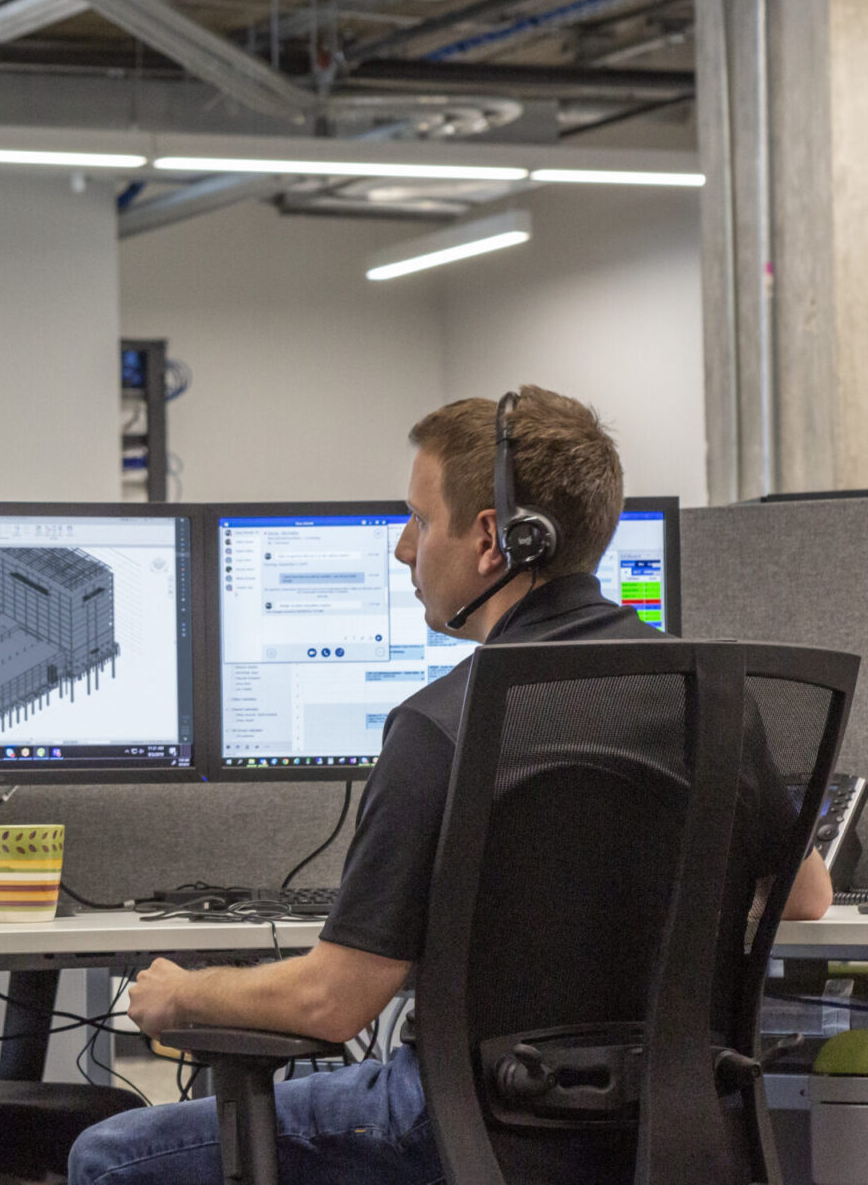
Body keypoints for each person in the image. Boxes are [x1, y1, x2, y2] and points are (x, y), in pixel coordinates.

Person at [68, 386, 833, 1185]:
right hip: (672, 1129)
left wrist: (184, 995)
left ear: (494, 541)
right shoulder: (717, 704)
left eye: (421, 520)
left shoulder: (442, 725)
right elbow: (807, 894)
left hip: (463, 1128)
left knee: (109, 1156)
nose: (405, 548)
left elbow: (332, 1003)